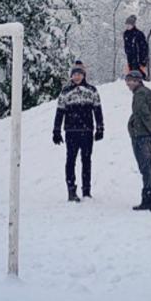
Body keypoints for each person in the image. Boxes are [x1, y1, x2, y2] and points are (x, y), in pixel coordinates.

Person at [52, 62, 104, 202]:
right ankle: (71, 190)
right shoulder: (65, 92)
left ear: (84, 75)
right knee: (71, 160)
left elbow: (98, 110)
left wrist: (100, 128)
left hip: (87, 131)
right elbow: (59, 112)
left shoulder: (92, 90)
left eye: (79, 74)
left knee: (86, 160)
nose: (77, 77)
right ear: (71, 76)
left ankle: (86, 190)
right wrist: (56, 131)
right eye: (74, 74)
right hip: (71, 131)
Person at [125, 70, 151, 211]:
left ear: (138, 81)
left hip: (141, 134)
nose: (129, 83)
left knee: (145, 167)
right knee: (149, 165)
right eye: (127, 81)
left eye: (131, 80)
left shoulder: (140, 94)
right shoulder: (150, 93)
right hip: (147, 134)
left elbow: (143, 114)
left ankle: (148, 199)